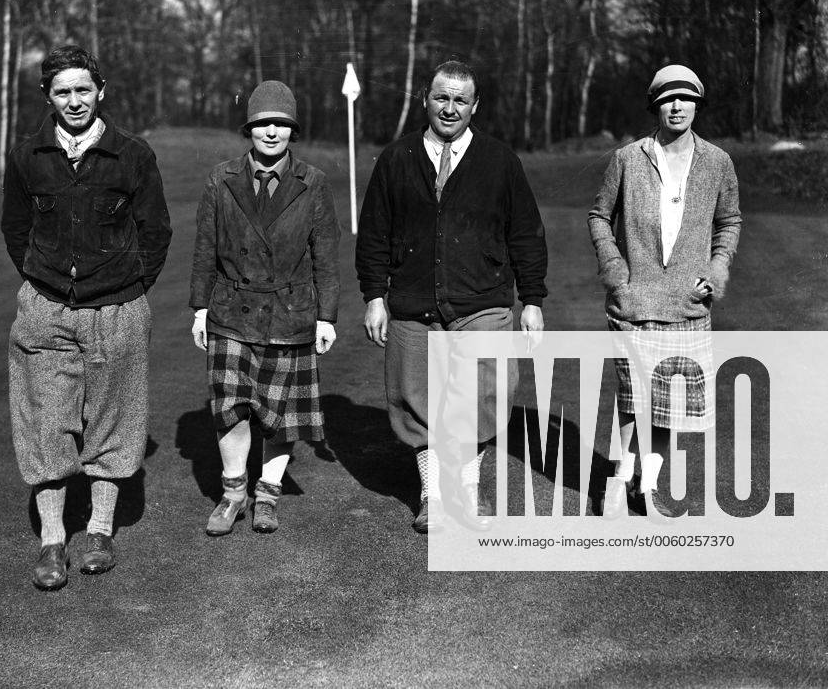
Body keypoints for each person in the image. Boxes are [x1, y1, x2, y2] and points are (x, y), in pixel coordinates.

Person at [1, 45, 172, 589]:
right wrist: (45, 281)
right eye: (61, 92)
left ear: (101, 91)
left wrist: (127, 289)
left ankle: (100, 531)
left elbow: (156, 233)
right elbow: (14, 229)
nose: (73, 101)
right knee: (47, 427)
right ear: (47, 98)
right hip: (46, 312)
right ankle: (52, 542)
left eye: (82, 90)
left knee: (112, 424)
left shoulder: (133, 155)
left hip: (117, 311)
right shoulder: (28, 155)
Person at [355, 60, 548, 533]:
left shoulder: (500, 161)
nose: (450, 108)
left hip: (483, 301)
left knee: (482, 396)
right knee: (415, 400)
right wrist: (374, 296)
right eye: (442, 97)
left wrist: (534, 301)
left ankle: (466, 489)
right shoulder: (396, 158)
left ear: (474, 106)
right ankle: (433, 496)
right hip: (412, 303)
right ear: (426, 99)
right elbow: (375, 235)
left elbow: (525, 234)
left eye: (461, 100)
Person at [588, 63, 741, 519]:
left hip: (687, 306)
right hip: (634, 302)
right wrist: (616, 269)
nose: (678, 106)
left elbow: (729, 221)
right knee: (633, 402)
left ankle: (648, 486)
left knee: (668, 406)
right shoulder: (628, 157)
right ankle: (618, 482)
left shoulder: (717, 162)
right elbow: (599, 216)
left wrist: (716, 270)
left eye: (686, 98)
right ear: (656, 106)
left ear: (697, 104)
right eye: (668, 99)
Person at [190, 80, 340, 536]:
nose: (271, 132)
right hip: (230, 313)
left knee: (278, 415)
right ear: (249, 129)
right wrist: (200, 309)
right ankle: (234, 492)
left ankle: (267, 495)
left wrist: (326, 317)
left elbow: (326, 257)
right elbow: (204, 249)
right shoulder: (221, 179)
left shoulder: (312, 183)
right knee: (232, 409)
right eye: (262, 124)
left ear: (292, 130)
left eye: (280, 124)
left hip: (291, 315)